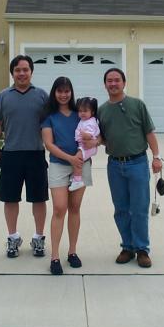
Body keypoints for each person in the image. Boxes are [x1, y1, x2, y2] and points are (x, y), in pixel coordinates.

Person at [92, 68, 162, 268]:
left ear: (124, 82)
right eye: (109, 81)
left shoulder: (137, 105)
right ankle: (128, 247)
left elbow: (149, 133)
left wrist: (156, 157)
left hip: (137, 163)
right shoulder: (102, 111)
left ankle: (142, 249)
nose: (113, 84)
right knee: (121, 209)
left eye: (117, 80)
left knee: (139, 209)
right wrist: (93, 141)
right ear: (105, 84)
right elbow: (103, 137)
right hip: (115, 165)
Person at [0, 55, 49, 258]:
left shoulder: (42, 96)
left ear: (31, 72)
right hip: (11, 155)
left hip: (36, 154)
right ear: (12, 73)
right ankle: (13, 238)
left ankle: (39, 238)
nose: (22, 73)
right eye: (17, 70)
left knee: (39, 199)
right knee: (10, 198)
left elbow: (50, 124)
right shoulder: (2, 97)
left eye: (25, 69)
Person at [41, 77, 92, 275]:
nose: (63, 95)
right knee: (59, 208)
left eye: (67, 91)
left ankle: (72, 252)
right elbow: (49, 144)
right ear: (54, 93)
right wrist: (70, 158)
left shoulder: (80, 114)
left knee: (75, 208)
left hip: (81, 164)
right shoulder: (49, 116)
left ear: (71, 92)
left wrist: (80, 154)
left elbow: (93, 134)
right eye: (60, 91)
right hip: (59, 166)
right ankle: (55, 256)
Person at [69, 97, 99, 192]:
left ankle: (77, 180)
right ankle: (76, 177)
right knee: (77, 160)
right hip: (83, 146)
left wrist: (84, 135)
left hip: (87, 147)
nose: (82, 113)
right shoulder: (84, 120)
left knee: (77, 160)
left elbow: (90, 135)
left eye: (85, 111)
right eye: (80, 111)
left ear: (92, 112)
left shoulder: (90, 122)